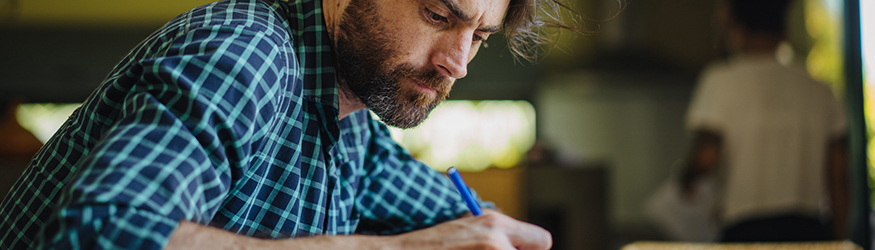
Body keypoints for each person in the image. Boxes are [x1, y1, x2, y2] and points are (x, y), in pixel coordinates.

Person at [0, 0, 577, 248]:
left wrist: (497, 232)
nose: (458, 63)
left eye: (478, 36)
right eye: (436, 15)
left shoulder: (350, 123)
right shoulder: (248, 54)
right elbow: (106, 234)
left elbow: (468, 221)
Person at [681, 0, 849, 242]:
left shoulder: (721, 81)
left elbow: (706, 156)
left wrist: (687, 178)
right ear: (784, 31)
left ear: (735, 28)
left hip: (746, 231)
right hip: (809, 230)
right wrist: (838, 238)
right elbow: (839, 172)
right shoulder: (819, 88)